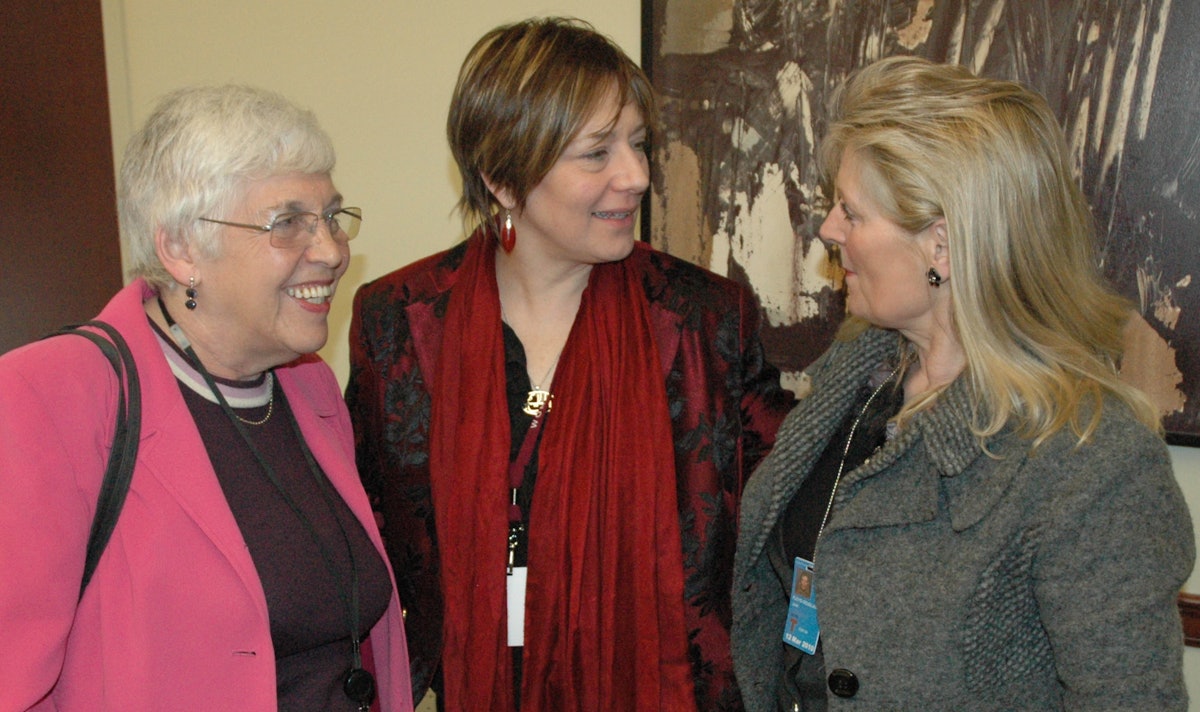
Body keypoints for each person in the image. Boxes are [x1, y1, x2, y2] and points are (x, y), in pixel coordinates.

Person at [346, 17, 795, 712]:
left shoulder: (705, 319)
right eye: (597, 153)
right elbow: (367, 527)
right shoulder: (398, 323)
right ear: (502, 177)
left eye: (639, 144)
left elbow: (789, 506)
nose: (637, 175)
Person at [731, 55, 1194, 710]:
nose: (829, 230)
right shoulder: (857, 373)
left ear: (941, 246)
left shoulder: (1094, 463)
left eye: (851, 212)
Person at [0, 85, 414, 711]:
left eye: (332, 215)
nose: (331, 250)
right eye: (288, 223)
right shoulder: (51, 393)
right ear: (182, 249)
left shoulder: (309, 387)